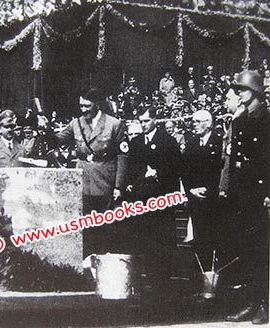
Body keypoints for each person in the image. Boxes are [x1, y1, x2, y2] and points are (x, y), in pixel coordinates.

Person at [45, 87, 128, 256]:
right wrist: (45, 127)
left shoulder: (114, 124)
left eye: (87, 106)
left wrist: (119, 186)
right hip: (83, 183)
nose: (83, 110)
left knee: (104, 229)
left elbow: (123, 156)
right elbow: (57, 141)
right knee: (84, 228)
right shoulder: (76, 123)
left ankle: (103, 266)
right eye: (81, 106)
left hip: (105, 183)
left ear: (97, 105)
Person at [223, 70, 270, 325]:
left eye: (242, 89)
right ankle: (251, 304)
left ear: (254, 92)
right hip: (242, 193)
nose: (238, 93)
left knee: (260, 250)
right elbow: (234, 160)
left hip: (258, 193)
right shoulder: (240, 119)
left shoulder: (265, 119)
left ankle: (262, 304)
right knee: (247, 250)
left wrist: (267, 192)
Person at [127, 106, 182, 295]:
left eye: (146, 121)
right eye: (141, 121)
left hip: (161, 201)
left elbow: (176, 168)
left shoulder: (168, 141)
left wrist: (158, 173)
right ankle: (145, 283)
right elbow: (131, 169)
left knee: (162, 242)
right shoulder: (135, 143)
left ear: (155, 120)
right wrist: (139, 178)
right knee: (144, 241)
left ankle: (162, 285)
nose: (143, 125)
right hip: (142, 200)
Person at [182, 110, 222, 273]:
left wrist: (209, 189)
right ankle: (200, 274)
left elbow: (220, 171)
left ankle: (212, 275)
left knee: (213, 236)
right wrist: (191, 189)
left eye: (198, 122)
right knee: (198, 238)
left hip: (212, 199)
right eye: (194, 121)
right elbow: (184, 170)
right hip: (195, 198)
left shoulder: (219, 142)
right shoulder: (191, 143)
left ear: (208, 123)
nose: (194, 125)